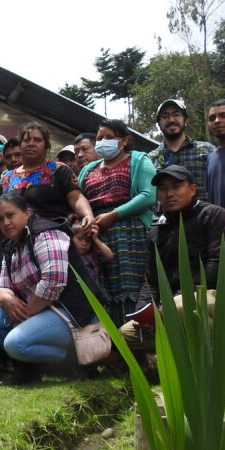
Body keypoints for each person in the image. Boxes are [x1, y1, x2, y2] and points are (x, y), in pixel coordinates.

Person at [118, 166, 225, 355]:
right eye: (162, 188)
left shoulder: (213, 215)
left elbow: (217, 265)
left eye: (177, 186)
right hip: (172, 308)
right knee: (125, 334)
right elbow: (151, 280)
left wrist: (172, 302)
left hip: (224, 304)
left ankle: (211, 356)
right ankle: (166, 361)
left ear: (193, 189)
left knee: (180, 309)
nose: (169, 193)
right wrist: (143, 314)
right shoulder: (156, 232)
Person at [0, 192, 102, 376]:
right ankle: (29, 367)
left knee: (15, 343)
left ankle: (75, 363)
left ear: (27, 213)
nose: (6, 223)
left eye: (11, 215)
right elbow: (2, 287)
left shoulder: (45, 233)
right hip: (42, 311)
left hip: (71, 312)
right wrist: (7, 299)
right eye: (0, 219)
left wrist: (25, 315)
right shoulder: (10, 245)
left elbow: (53, 284)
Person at [79, 118, 157, 324]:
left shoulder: (139, 160)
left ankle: (135, 345)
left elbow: (148, 195)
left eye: (109, 138)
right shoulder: (88, 169)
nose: (103, 142)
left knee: (131, 288)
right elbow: (78, 198)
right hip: (95, 238)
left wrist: (113, 215)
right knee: (101, 289)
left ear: (124, 141)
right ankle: (110, 348)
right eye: (99, 138)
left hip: (131, 237)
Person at [0, 122, 94, 229]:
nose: (31, 144)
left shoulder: (58, 169)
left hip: (54, 235)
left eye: (37, 140)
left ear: (46, 146)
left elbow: (76, 198)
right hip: (19, 239)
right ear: (20, 145)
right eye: (26, 140)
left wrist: (88, 215)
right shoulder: (7, 178)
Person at [147, 98, 215, 201]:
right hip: (164, 216)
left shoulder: (207, 151)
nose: (171, 120)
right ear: (159, 124)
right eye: (165, 116)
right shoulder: (150, 159)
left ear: (186, 120)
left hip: (202, 215)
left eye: (176, 115)